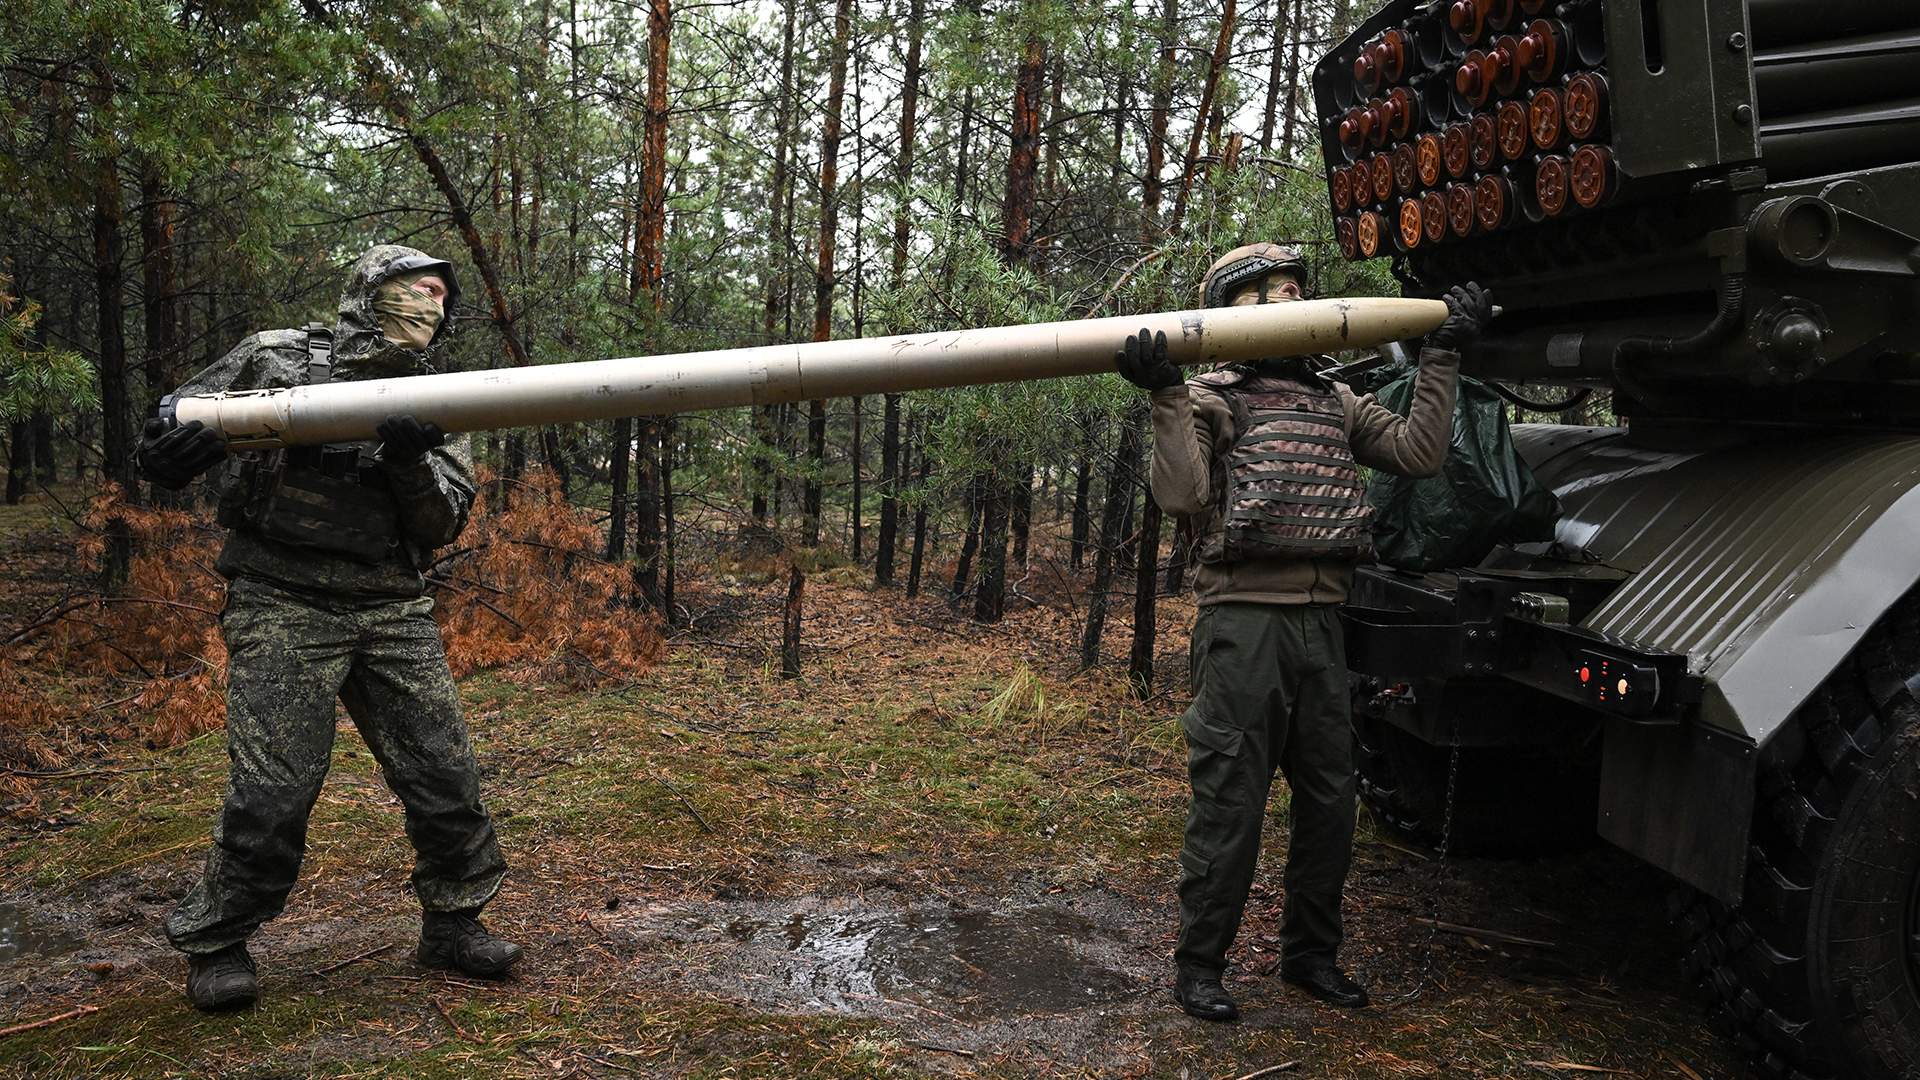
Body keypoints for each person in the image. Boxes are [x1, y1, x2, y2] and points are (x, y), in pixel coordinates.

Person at [138, 245, 520, 1012]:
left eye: (442, 297)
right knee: (274, 791)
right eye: (416, 289)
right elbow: (170, 434)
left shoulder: (447, 395)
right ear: (370, 293)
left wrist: (410, 459)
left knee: (445, 776)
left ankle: (453, 921)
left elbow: (441, 521)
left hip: (391, 606)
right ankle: (218, 941)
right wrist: (170, 451)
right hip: (282, 597)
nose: (430, 305)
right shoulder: (275, 358)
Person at [1115, 243, 1489, 1020]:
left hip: (1324, 625)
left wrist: (1443, 353)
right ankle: (1200, 966)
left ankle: (1310, 957)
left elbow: (1419, 454)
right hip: (1245, 625)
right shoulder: (1216, 398)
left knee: (1330, 801)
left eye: (1295, 290)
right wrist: (1165, 394)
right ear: (1232, 316)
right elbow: (1182, 497)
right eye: (1267, 295)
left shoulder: (1333, 400)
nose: (1290, 303)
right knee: (1232, 802)